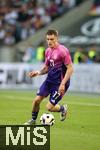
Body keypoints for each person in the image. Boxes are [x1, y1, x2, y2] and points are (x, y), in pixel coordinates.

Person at [24, 29, 74, 125]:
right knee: (36, 101)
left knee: (49, 107)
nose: (49, 41)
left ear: (56, 38)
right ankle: (33, 120)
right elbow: (47, 68)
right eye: (48, 39)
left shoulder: (63, 51)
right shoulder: (47, 51)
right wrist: (38, 72)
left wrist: (63, 84)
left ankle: (63, 108)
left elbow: (70, 69)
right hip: (49, 81)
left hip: (60, 84)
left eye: (52, 39)